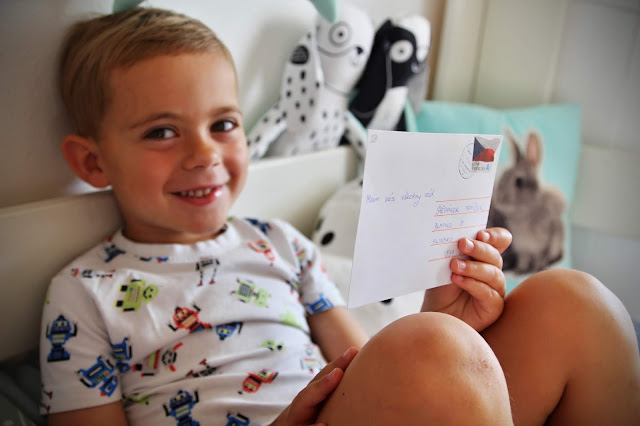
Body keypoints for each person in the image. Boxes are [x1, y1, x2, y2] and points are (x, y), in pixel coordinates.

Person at [40, 6, 640, 426]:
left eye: (223, 124)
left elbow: (368, 365)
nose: (204, 154)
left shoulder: (280, 244)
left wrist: (445, 324)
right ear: (93, 161)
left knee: (574, 305)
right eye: (162, 132)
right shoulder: (84, 292)